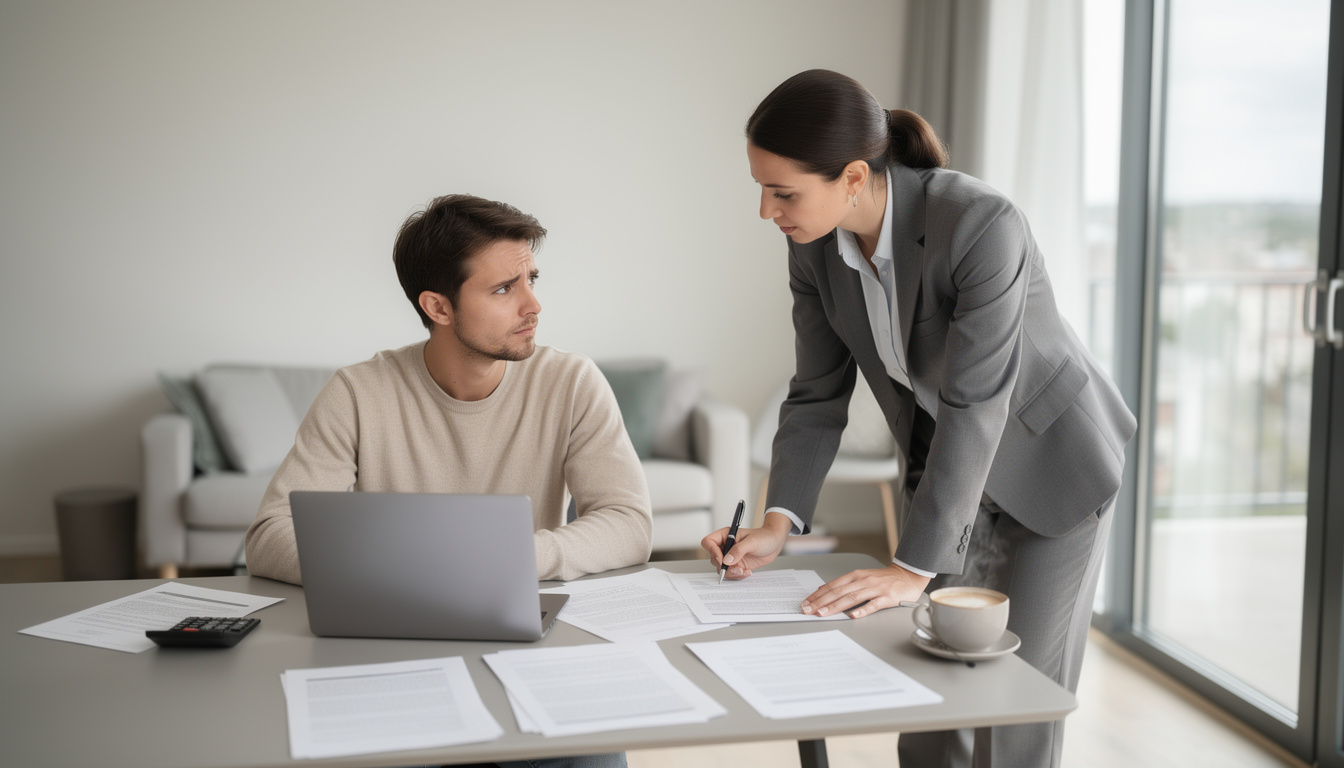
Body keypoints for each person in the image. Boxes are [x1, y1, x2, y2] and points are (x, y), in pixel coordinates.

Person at [703, 69, 1137, 768]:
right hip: (946, 467)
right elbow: (817, 391)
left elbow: (976, 400)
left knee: (1012, 705)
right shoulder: (812, 244)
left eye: (782, 192)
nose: (766, 211)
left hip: (1053, 468)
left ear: (851, 176)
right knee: (932, 706)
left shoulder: (981, 223)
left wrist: (912, 567)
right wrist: (776, 525)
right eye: (760, 187)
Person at [247, 193, 650, 768]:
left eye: (532, 278)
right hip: (395, 661)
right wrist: (428, 568)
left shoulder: (572, 381)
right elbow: (267, 535)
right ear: (438, 306)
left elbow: (628, 523)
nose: (534, 304)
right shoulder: (358, 392)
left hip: (530, 654)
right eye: (504, 289)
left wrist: (511, 558)